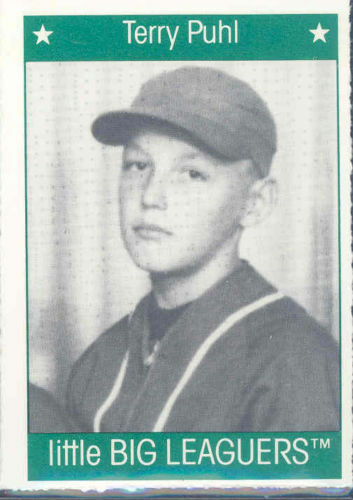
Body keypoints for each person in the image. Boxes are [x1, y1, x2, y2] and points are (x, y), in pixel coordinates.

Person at [66, 66, 339, 432]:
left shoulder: (294, 362)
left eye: (192, 173)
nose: (150, 196)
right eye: (138, 165)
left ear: (255, 203)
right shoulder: (99, 362)